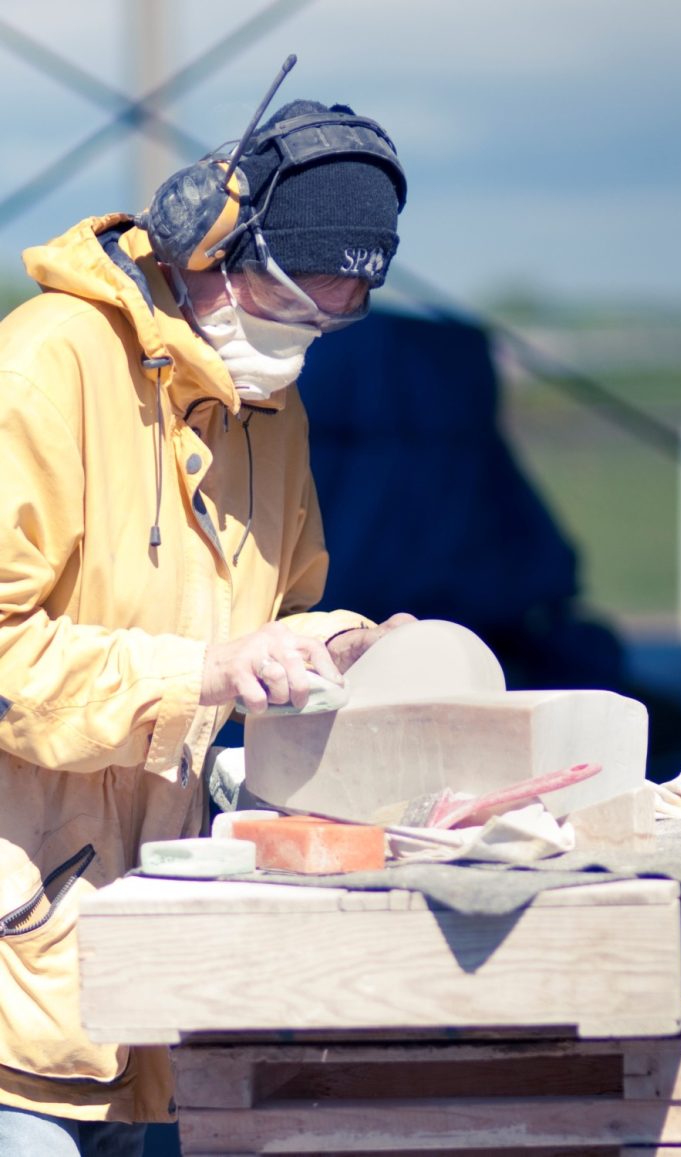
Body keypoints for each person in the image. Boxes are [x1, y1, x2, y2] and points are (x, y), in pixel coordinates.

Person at [0, 57, 411, 1154]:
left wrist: (345, 647)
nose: (294, 344)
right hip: (14, 964)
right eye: (283, 307)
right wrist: (206, 676)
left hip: (148, 980)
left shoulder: (269, 412)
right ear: (207, 248)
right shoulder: (46, 370)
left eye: (326, 327)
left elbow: (276, 615)